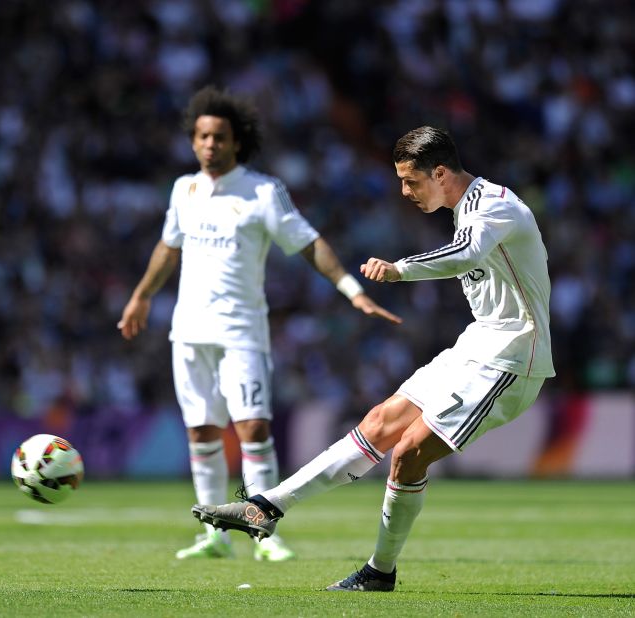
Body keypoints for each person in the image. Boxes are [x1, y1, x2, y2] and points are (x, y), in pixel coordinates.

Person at [192, 125, 554, 588]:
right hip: (477, 343)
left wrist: (400, 269)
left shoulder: (496, 206)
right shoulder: (468, 208)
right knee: (380, 422)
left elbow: (465, 255)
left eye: (411, 181)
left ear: (440, 172)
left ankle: (379, 571)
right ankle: (265, 506)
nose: (404, 192)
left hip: (512, 356)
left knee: (407, 454)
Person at [118, 86, 401, 561]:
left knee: (252, 429)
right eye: (203, 136)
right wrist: (141, 296)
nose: (210, 144)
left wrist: (353, 291)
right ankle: (215, 535)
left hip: (241, 332)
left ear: (236, 142)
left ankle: (264, 530)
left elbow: (309, 243)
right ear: (193, 142)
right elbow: (168, 248)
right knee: (202, 433)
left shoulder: (262, 192)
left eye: (219, 137)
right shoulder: (183, 190)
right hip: (188, 331)